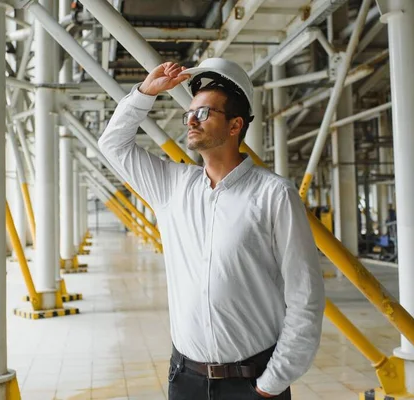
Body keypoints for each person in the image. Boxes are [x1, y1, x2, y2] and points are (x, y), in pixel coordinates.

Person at [98, 58, 325, 399]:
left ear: (235, 126)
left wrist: (271, 384)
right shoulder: (172, 187)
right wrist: (146, 92)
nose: (190, 119)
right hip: (185, 379)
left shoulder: (274, 194)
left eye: (204, 113)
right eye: (190, 112)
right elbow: (113, 145)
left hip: (253, 382)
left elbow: (304, 294)